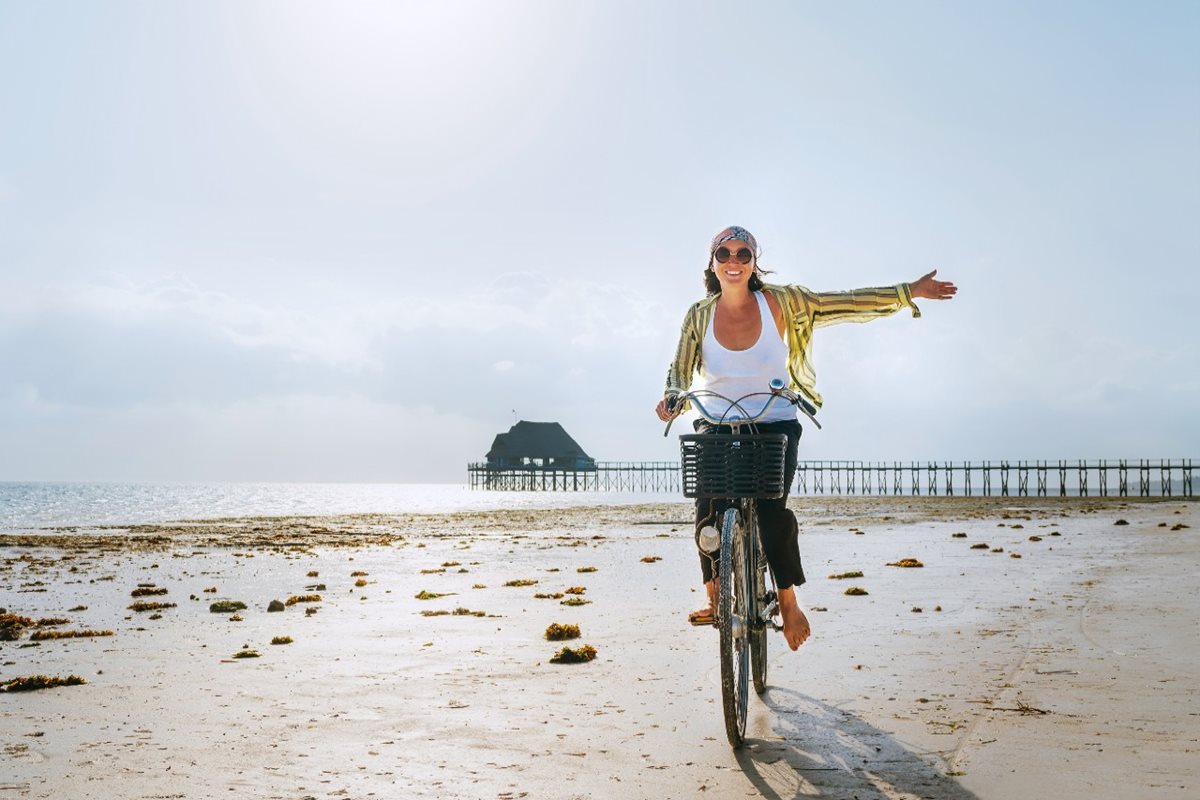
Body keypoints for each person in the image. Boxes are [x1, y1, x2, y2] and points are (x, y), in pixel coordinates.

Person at [655, 225, 957, 651]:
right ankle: (716, 597)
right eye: (725, 254)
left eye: (744, 254)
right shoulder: (698, 314)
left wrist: (909, 292)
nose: (734, 262)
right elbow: (679, 372)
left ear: (754, 262)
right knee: (707, 507)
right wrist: (672, 398)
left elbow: (846, 303)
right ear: (712, 262)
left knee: (770, 511)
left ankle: (788, 601)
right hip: (716, 419)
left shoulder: (783, 303)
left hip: (774, 418)